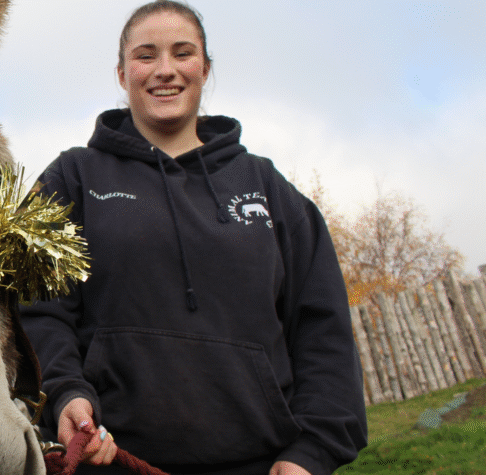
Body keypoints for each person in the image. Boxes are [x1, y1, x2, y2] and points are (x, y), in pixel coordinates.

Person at [19, 2, 368, 474]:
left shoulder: (267, 188)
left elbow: (321, 329)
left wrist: (311, 454)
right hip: (114, 462)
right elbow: (38, 308)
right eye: (146, 56)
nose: (165, 70)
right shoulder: (74, 177)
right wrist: (66, 395)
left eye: (182, 53)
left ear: (204, 68)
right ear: (122, 74)